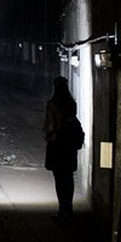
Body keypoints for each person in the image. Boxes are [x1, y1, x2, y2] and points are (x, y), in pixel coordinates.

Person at [43, 75, 79, 219]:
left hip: (57, 145)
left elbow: (50, 127)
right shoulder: (71, 103)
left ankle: (61, 209)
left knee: (59, 178)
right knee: (68, 178)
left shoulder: (52, 104)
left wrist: (48, 136)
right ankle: (69, 208)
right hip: (70, 146)